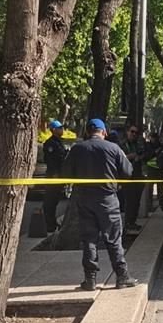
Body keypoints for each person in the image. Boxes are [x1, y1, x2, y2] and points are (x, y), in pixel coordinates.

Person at [61, 119, 138, 291]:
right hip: (108, 199)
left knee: (89, 239)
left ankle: (90, 280)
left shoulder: (77, 149)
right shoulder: (113, 148)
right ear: (103, 132)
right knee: (113, 239)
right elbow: (128, 172)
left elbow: (66, 172)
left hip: (84, 199)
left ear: (88, 132)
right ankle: (122, 276)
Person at [42, 119, 69, 233]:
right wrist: (56, 175)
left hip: (61, 175)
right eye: (59, 128)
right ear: (53, 130)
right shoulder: (50, 143)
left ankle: (52, 222)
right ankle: (49, 224)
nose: (62, 130)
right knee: (50, 201)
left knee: (56, 200)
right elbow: (52, 161)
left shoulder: (59, 142)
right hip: (54, 175)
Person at [121, 124, 145, 233]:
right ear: (127, 132)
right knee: (130, 202)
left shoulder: (138, 145)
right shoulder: (122, 145)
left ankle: (132, 222)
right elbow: (119, 159)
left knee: (136, 201)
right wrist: (130, 156)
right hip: (127, 178)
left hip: (138, 176)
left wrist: (140, 157)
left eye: (136, 133)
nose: (134, 134)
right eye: (132, 131)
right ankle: (128, 224)